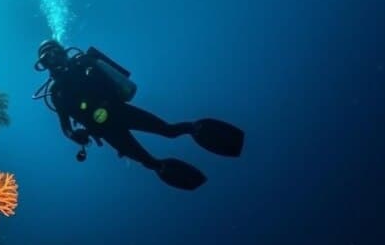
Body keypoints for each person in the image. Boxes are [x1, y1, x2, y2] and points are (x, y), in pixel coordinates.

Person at [33, 39, 244, 190]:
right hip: (106, 130)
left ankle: (199, 129)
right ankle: (185, 169)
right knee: (150, 162)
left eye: (55, 53)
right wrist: (74, 136)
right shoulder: (56, 93)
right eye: (46, 58)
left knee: (169, 131)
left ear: (63, 51)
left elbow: (120, 85)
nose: (53, 59)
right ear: (43, 65)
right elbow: (65, 127)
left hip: (120, 112)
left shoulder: (86, 63)